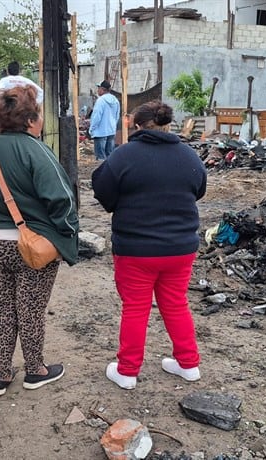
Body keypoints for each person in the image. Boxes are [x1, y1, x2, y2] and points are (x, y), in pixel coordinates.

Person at [0, 85, 79, 397]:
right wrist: (65, 236)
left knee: (3, 306)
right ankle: (35, 370)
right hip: (32, 244)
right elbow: (61, 199)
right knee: (31, 308)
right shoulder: (36, 150)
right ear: (31, 120)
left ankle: (1, 375)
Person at [91, 100, 207, 390]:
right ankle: (188, 364)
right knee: (177, 303)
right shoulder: (189, 156)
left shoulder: (124, 155)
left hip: (136, 249)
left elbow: (103, 192)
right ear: (168, 125)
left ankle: (128, 371)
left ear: (136, 125)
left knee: (135, 307)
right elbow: (199, 190)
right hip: (180, 249)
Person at [89, 80, 120, 160]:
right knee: (110, 156)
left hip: (100, 132)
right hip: (111, 131)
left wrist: (92, 129)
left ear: (102, 89)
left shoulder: (101, 101)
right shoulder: (115, 100)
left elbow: (96, 117)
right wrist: (113, 126)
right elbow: (117, 116)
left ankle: (102, 172)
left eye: (98, 88)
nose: (97, 90)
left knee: (100, 158)